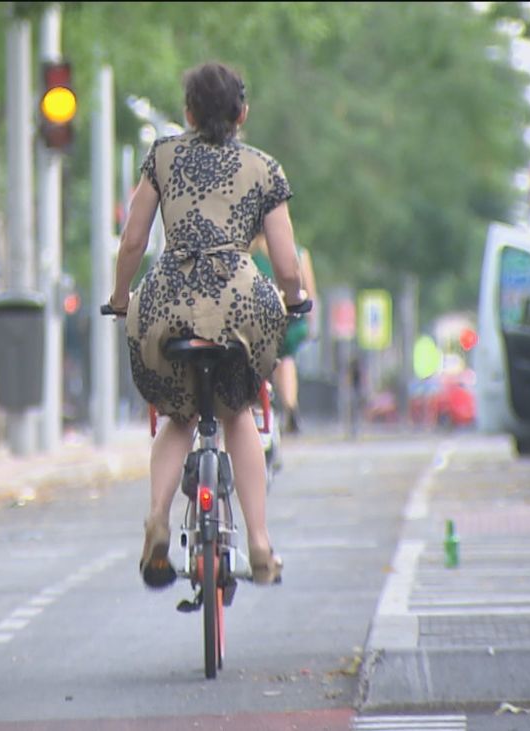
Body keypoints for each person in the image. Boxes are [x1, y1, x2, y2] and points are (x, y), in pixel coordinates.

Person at [107, 62, 306, 589]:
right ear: (242, 113)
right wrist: (295, 298)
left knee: (178, 417)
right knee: (238, 414)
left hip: (168, 299)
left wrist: (120, 295)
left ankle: (156, 520)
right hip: (240, 303)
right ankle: (260, 545)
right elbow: (286, 265)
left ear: (189, 113)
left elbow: (132, 243)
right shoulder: (265, 169)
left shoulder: (163, 158)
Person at [250, 233, 319, 433]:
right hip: (288, 321)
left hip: (255, 322)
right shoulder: (297, 252)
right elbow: (309, 291)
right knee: (286, 358)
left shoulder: (248, 251)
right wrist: (311, 324)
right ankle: (290, 406)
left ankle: (256, 404)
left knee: (253, 355)